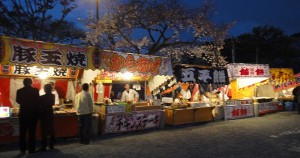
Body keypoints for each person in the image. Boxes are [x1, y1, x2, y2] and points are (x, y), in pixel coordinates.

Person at [16, 78, 39, 155]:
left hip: (23, 114)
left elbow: (18, 101)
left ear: (23, 83)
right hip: (32, 114)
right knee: (31, 133)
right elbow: (37, 101)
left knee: (22, 132)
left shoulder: (19, 91)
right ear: (31, 83)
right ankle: (31, 149)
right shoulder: (35, 90)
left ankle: (22, 149)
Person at [39, 84, 55, 151]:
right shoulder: (53, 96)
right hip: (50, 114)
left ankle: (44, 146)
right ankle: (51, 145)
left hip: (44, 114)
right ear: (51, 89)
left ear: (45, 89)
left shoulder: (42, 97)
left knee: (44, 131)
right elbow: (52, 104)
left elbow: (40, 105)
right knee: (51, 130)